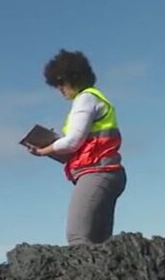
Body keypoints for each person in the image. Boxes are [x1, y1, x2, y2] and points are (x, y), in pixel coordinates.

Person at [27, 49, 127, 245]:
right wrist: (52, 149)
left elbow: (72, 141)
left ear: (73, 78)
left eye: (61, 83)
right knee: (100, 242)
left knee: (77, 237)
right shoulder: (96, 98)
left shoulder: (85, 99)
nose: (60, 89)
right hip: (109, 173)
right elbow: (79, 150)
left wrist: (43, 150)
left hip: (97, 174)